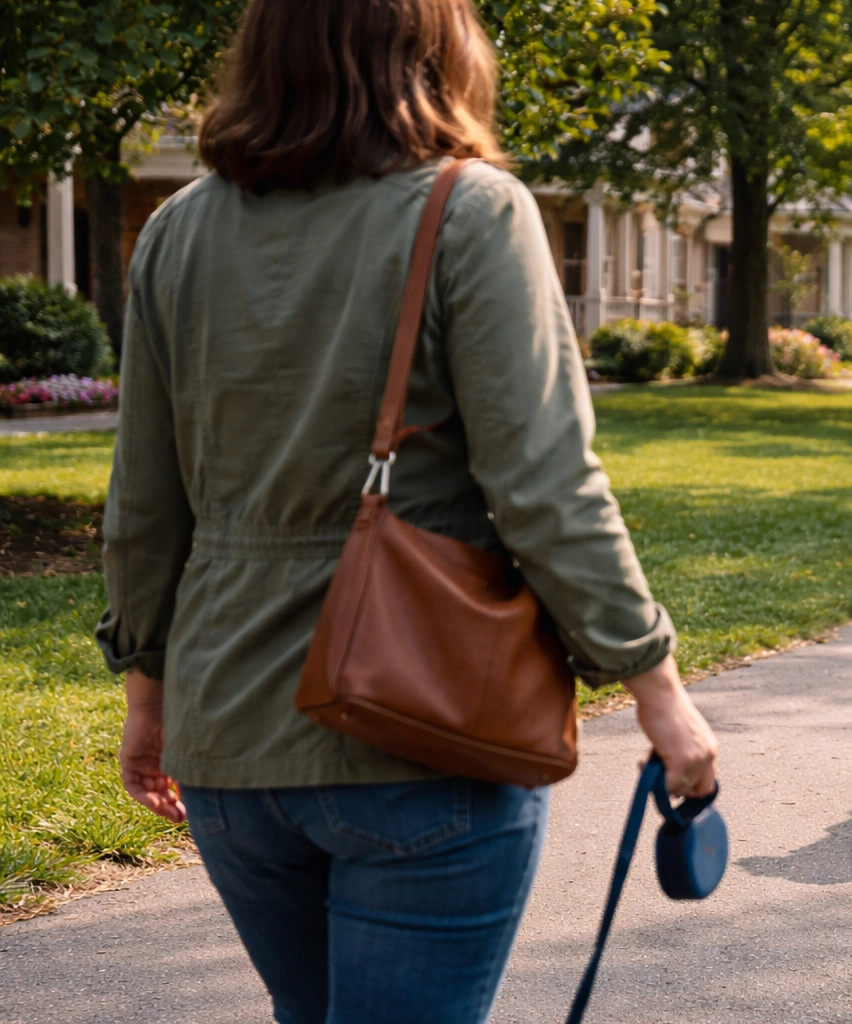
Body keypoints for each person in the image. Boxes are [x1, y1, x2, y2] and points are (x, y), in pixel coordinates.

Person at [95, 1, 718, 1021]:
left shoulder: (177, 230)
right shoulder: (472, 210)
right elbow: (547, 488)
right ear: (435, 48)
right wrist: (656, 684)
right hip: (424, 733)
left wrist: (147, 692)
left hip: (228, 740)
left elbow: (142, 504)